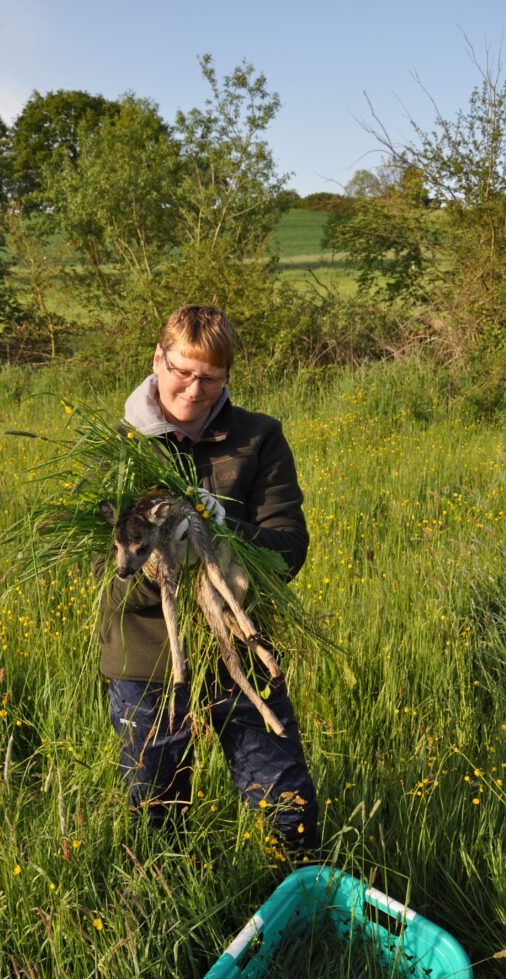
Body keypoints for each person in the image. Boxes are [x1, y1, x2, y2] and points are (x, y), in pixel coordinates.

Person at [98, 304, 319, 857]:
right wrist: (161, 566)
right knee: (158, 817)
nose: (194, 390)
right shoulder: (116, 452)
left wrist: (226, 535)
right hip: (146, 662)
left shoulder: (259, 438)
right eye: (182, 372)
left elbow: (290, 545)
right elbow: (105, 572)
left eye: (210, 378)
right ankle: (174, 916)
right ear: (158, 359)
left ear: (227, 376)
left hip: (238, 656)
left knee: (287, 810)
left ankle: (305, 909)